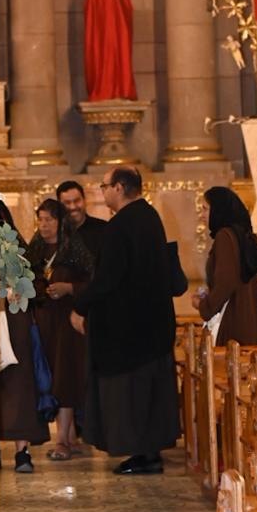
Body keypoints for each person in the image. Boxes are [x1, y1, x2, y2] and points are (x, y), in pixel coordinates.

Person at [71, 166, 179, 475]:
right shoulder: (150, 217)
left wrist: (81, 306)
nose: (102, 191)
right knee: (147, 393)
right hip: (150, 326)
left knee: (131, 395)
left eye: (104, 186)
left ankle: (143, 453)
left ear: (119, 188)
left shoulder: (121, 225)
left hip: (128, 332)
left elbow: (107, 278)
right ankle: (148, 452)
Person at [27, 198, 93, 460]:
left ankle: (62, 440)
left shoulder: (74, 250)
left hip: (68, 322)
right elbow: (26, 281)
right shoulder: (35, 251)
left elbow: (93, 283)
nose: (44, 225)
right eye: (40, 220)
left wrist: (69, 288)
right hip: (44, 322)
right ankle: (71, 436)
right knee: (51, 375)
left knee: (65, 377)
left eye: (49, 220)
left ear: (61, 222)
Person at [0, 198, 50, 473]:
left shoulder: (17, 250)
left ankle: (21, 450)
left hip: (14, 320)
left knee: (19, 384)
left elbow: (35, 280)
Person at [192, 186, 257, 346]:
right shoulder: (240, 235)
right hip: (247, 317)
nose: (202, 215)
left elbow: (225, 283)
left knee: (232, 360)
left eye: (205, 209)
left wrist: (203, 305)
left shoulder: (225, 237)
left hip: (233, 321)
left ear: (219, 210)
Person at [56, 179, 106, 264]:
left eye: (77, 201)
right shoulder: (53, 232)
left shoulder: (104, 229)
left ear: (84, 200)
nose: (73, 207)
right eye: (67, 203)